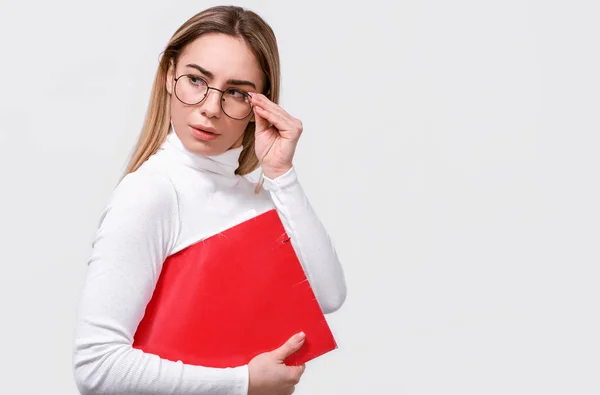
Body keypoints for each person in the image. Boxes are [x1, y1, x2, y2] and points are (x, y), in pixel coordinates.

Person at [72, 5, 347, 395]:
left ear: (259, 106)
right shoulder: (151, 192)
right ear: (169, 77)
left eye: (236, 92)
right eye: (196, 80)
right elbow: (96, 366)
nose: (210, 108)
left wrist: (282, 175)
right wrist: (243, 383)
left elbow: (328, 296)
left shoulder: (260, 196)